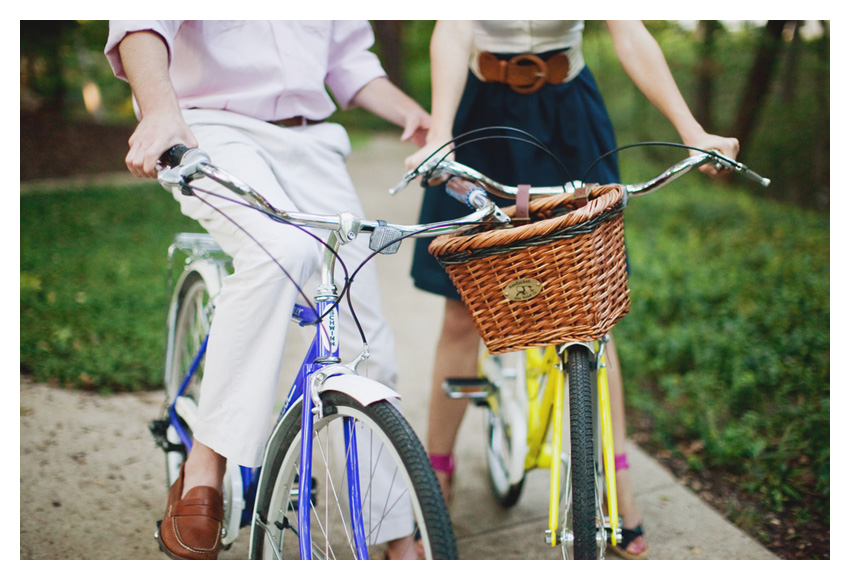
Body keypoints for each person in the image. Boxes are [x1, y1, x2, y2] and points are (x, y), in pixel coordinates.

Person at [406, 20, 740, 560]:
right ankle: (437, 477)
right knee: (462, 311)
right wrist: (442, 128)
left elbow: (628, 31)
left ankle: (618, 484)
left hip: (570, 117)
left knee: (591, 312)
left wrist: (690, 129)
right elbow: (453, 26)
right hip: (481, 116)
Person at [105, 20, 430, 560]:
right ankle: (204, 465)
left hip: (312, 142)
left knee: (361, 328)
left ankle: (396, 531)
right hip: (209, 129)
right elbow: (142, 23)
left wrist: (409, 113)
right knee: (283, 251)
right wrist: (160, 109)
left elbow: (349, 61)